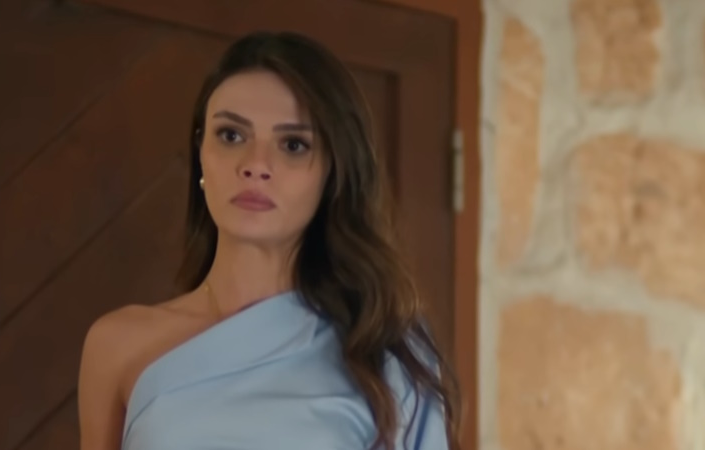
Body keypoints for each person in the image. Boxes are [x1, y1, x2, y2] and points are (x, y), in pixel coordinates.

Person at [77, 31, 459, 450]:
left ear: (332, 174)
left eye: (293, 144)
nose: (255, 165)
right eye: (231, 135)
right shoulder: (117, 345)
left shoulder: (386, 347)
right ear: (200, 153)